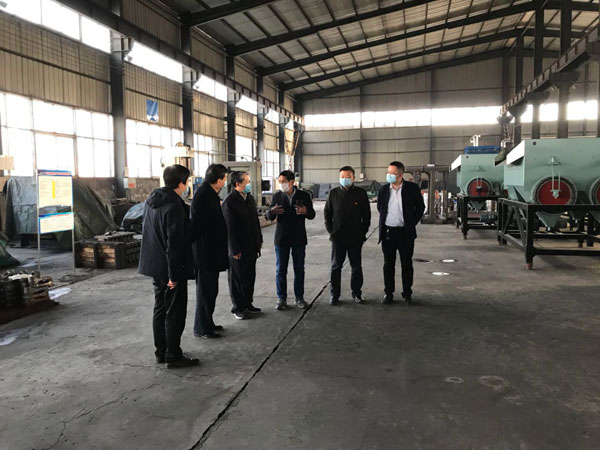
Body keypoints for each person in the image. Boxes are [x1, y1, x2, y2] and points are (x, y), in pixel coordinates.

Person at [138, 164, 199, 369]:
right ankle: (173, 354)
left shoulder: (151, 201)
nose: (187, 185)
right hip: (170, 267)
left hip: (155, 265)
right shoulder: (174, 206)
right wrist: (174, 275)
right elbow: (174, 244)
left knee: (160, 308)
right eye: (187, 181)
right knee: (175, 311)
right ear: (181, 183)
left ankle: (161, 351)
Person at [265, 170, 316, 311]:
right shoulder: (277, 196)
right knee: (281, 270)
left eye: (284, 181)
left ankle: (299, 298)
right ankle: (281, 299)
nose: (281, 184)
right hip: (282, 238)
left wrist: (305, 211)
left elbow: (312, 214)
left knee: (299, 269)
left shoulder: (304, 196)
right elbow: (269, 216)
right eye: (280, 182)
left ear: (292, 182)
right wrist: (272, 212)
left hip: (298, 238)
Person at [377, 161, 425, 304]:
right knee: (388, 265)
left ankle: (407, 293)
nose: (389, 175)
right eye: (388, 172)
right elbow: (380, 207)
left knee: (406, 264)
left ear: (400, 175)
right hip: (388, 232)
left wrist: (411, 223)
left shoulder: (412, 188)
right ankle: (388, 293)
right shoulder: (383, 190)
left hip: (405, 233)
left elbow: (420, 208)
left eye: (392, 173)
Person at [190, 164, 229, 339]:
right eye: (224, 178)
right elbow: (197, 227)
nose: (225, 182)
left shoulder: (210, 194)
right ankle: (202, 328)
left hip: (212, 252)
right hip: (205, 253)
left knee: (211, 290)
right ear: (219, 180)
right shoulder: (203, 196)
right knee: (205, 291)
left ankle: (208, 322)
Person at [324, 166, 371, 305]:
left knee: (356, 267)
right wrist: (331, 231)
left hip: (355, 238)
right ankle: (335, 295)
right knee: (336, 267)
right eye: (342, 177)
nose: (345, 179)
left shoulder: (361, 194)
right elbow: (327, 213)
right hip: (338, 238)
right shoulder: (333, 193)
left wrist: (362, 232)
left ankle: (357, 293)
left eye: (348, 177)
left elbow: (366, 216)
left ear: (353, 178)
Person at [222, 171, 263, 320]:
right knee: (237, 278)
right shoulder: (229, 202)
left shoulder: (249, 199)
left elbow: (255, 222)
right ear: (237, 184)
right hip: (238, 247)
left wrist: (259, 240)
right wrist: (234, 249)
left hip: (251, 245)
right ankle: (237, 307)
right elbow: (229, 228)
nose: (249, 184)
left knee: (249, 276)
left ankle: (247, 303)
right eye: (247, 181)